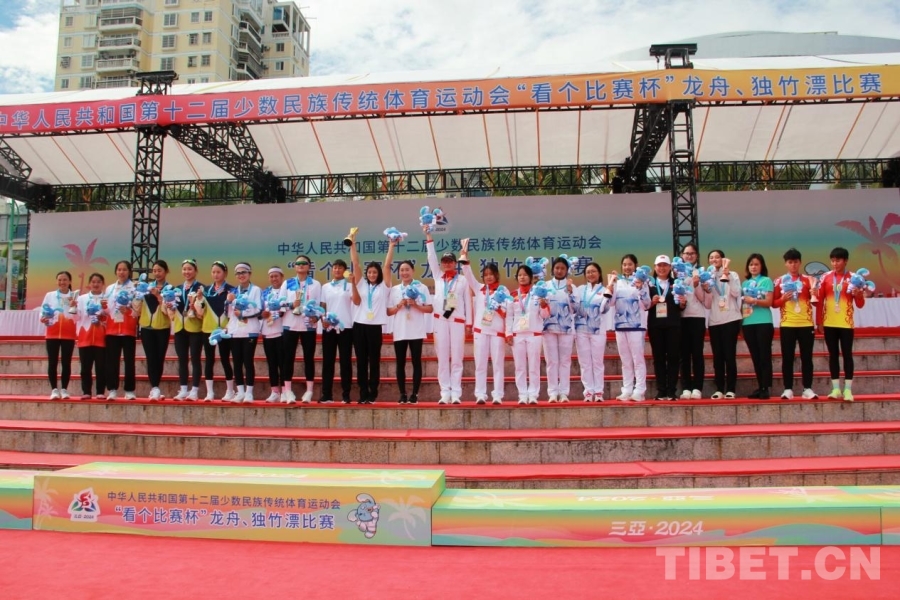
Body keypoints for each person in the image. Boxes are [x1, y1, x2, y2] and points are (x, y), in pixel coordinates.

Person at [424, 227, 470, 404]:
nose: (447, 264)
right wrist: (428, 235)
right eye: (444, 261)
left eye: (450, 261)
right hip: (440, 321)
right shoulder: (438, 276)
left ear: (455, 263)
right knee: (442, 358)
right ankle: (445, 392)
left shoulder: (462, 280)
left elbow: (467, 302)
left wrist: (469, 323)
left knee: (457, 358)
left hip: (457, 322)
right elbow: (431, 257)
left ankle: (456, 393)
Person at [349, 232, 395, 404]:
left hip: (375, 327)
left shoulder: (384, 286)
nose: (372, 274)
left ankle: (373, 393)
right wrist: (352, 244)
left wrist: (391, 245)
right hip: (359, 326)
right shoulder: (361, 283)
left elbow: (387, 265)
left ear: (379, 274)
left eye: (375, 272)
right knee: (361, 361)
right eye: (369, 272)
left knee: (374, 361)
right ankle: (362, 392)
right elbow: (355, 263)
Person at [817, 247, 866, 402]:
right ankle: (836, 389)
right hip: (829, 323)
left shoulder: (854, 278)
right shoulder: (825, 277)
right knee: (833, 355)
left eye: (838, 260)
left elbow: (860, 304)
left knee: (847, 355)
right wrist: (819, 322)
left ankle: (848, 390)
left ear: (845, 261)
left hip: (846, 323)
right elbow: (819, 301)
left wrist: (859, 295)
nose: (834, 263)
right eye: (832, 260)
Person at [695, 249, 742, 399]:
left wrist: (727, 276)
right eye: (711, 257)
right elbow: (707, 303)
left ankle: (731, 389)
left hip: (731, 319)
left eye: (717, 257)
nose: (714, 259)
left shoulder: (733, 274)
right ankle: (719, 388)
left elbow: (736, 293)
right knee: (718, 357)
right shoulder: (707, 277)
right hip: (715, 321)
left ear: (723, 259)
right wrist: (706, 290)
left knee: (729, 355)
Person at [772, 248, 818, 400]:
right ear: (786, 263)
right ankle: (788, 389)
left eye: (796, 262)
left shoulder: (809, 280)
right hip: (787, 324)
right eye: (790, 262)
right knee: (787, 358)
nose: (793, 265)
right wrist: (783, 299)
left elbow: (816, 302)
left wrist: (814, 293)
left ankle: (807, 388)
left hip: (806, 324)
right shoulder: (779, 281)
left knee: (807, 357)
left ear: (800, 262)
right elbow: (773, 303)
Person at [462, 257, 507, 405]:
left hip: (497, 332)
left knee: (498, 364)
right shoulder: (479, 288)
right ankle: (480, 394)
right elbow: (468, 275)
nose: (488, 277)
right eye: (486, 274)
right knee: (480, 364)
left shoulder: (503, 290)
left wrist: (498, 308)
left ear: (496, 275)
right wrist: (465, 261)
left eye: (491, 274)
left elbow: (507, 311)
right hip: (480, 331)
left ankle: (497, 394)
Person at [387, 260, 432, 404]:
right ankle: (402, 394)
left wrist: (416, 305)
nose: (404, 272)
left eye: (407, 269)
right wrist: (398, 305)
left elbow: (430, 308)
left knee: (416, 362)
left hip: (416, 330)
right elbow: (388, 312)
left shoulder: (422, 287)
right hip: (400, 330)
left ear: (413, 271)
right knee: (400, 363)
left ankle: (415, 394)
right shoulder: (394, 290)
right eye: (402, 270)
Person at [607, 254, 651, 402]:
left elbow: (647, 304)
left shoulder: (642, 282)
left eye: (630, 264)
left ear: (636, 266)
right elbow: (611, 303)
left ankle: (640, 390)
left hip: (637, 326)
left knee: (637, 359)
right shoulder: (618, 282)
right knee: (625, 360)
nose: (627, 267)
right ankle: (627, 389)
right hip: (620, 326)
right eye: (624, 264)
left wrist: (641, 288)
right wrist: (611, 285)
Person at [280, 254, 322, 404]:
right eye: (298, 263)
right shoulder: (287, 283)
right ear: (294, 266)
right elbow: (280, 304)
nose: (301, 265)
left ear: (309, 266)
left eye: (304, 263)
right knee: (288, 358)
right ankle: (288, 391)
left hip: (308, 326)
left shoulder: (315, 284)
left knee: (308, 358)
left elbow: (319, 305)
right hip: (290, 324)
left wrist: (316, 317)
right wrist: (292, 304)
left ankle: (309, 391)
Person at [505, 265, 546, 404]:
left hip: (534, 334)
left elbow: (544, 315)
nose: (522, 277)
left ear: (531, 277)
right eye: (520, 275)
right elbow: (509, 316)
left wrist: (544, 305)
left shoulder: (538, 294)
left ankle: (533, 394)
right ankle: (522, 394)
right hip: (517, 335)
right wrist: (508, 333)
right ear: (517, 277)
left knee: (534, 366)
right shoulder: (512, 295)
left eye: (525, 275)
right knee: (520, 367)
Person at [646, 255, 685, 400]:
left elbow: (681, 306)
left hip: (673, 324)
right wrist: (652, 302)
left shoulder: (677, 283)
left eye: (665, 265)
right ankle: (661, 390)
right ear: (655, 267)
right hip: (655, 325)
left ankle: (671, 390)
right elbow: (644, 305)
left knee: (674, 357)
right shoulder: (649, 284)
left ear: (670, 267)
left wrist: (682, 303)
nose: (662, 268)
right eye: (659, 265)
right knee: (659, 358)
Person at [540, 257, 576, 402]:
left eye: (562, 268)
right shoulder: (545, 286)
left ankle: (564, 392)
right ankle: (553, 392)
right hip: (548, 328)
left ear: (567, 270)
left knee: (565, 361)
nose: (559, 271)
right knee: (551, 361)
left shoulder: (571, 287)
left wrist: (571, 293)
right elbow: (539, 308)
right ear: (552, 269)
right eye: (557, 268)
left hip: (566, 329)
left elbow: (575, 309)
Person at [574, 262, 610, 402]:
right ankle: (588, 391)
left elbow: (605, 309)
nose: (591, 274)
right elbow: (574, 306)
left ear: (599, 273)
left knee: (597, 362)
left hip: (598, 330)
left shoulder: (605, 289)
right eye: (588, 272)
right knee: (584, 362)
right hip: (581, 330)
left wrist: (609, 292)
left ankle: (599, 391)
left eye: (593, 271)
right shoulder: (580, 289)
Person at [226, 263, 262, 402]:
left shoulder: (256, 290)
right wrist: (228, 302)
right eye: (238, 273)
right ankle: (240, 391)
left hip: (250, 331)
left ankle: (249, 392)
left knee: (248, 361)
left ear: (249, 273)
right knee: (237, 362)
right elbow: (228, 313)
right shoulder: (233, 291)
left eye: (244, 272)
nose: (241, 275)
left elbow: (258, 309)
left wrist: (242, 312)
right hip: (235, 331)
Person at [741, 253, 775, 400]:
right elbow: (742, 304)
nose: (753, 267)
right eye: (751, 264)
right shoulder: (744, 284)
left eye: (756, 264)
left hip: (763, 322)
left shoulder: (766, 281)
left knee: (764, 355)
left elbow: (768, 302)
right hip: (748, 323)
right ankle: (760, 386)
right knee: (755, 356)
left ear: (762, 266)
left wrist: (754, 300)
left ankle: (766, 387)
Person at [171, 259, 205, 401]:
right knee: (182, 359)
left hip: (195, 328)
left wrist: (195, 307)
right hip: (180, 328)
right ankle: (183, 389)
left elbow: (204, 309)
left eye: (190, 269)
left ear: (196, 271)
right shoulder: (177, 289)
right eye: (184, 269)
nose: (187, 272)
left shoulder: (201, 289)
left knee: (195, 359)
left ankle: (195, 390)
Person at [320, 259, 354, 404]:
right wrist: (323, 319)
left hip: (346, 327)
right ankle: (326, 394)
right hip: (329, 328)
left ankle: (346, 394)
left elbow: (356, 302)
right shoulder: (325, 287)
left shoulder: (350, 286)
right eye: (335, 267)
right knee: (328, 361)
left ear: (345, 270)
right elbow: (322, 306)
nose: (337, 270)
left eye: (340, 268)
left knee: (345, 362)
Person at [103, 260, 138, 401]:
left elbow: (138, 310)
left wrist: (128, 310)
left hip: (128, 329)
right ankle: (112, 389)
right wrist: (103, 308)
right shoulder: (109, 289)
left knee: (129, 361)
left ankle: (130, 390)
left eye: (124, 269)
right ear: (115, 271)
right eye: (119, 269)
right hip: (112, 330)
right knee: (112, 361)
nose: (121, 272)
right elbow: (107, 310)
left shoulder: (134, 288)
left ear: (129, 272)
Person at [202, 261, 236, 401]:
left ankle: (230, 391)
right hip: (208, 329)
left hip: (225, 330)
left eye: (218, 272)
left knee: (225, 359)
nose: (215, 275)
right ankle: (209, 392)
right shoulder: (206, 290)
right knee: (209, 360)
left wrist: (228, 327)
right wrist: (198, 300)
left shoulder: (231, 290)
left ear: (225, 273)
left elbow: (234, 312)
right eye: (213, 272)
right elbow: (200, 311)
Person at [41, 270, 78, 400]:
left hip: (69, 334)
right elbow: (43, 311)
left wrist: (75, 307)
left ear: (70, 281)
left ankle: (64, 389)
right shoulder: (50, 295)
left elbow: (78, 317)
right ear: (57, 281)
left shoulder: (75, 296)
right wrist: (43, 318)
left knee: (66, 362)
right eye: (60, 280)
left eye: (65, 280)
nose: (62, 282)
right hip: (52, 333)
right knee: (52, 362)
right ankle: (54, 390)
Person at [139, 260, 171, 401]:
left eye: (160, 270)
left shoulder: (170, 289)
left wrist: (159, 296)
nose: (157, 273)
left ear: (166, 271)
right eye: (155, 271)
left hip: (162, 327)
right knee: (151, 357)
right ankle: (155, 388)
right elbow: (137, 308)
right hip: (146, 327)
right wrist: (137, 295)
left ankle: (156, 387)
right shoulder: (146, 287)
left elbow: (168, 311)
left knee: (159, 357)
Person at [678, 243, 706, 399]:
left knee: (697, 354)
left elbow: (703, 299)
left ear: (697, 256)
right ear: (682, 255)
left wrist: (697, 285)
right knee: (683, 354)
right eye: (686, 253)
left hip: (697, 317)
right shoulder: (677, 273)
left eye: (692, 253)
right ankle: (686, 388)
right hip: (681, 318)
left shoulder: (701, 272)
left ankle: (697, 388)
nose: (689, 256)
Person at [76, 273, 107, 400]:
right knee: (85, 367)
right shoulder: (81, 299)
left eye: (98, 282)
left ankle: (100, 391)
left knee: (101, 366)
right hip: (85, 335)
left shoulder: (106, 298)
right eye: (93, 282)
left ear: (103, 284)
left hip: (102, 336)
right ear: (89, 284)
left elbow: (110, 315)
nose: (96, 284)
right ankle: (86, 391)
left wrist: (103, 315)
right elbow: (76, 317)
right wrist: (73, 307)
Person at [260, 267, 287, 403]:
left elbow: (289, 308)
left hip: (281, 332)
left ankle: (285, 391)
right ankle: (274, 391)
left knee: (283, 363)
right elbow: (259, 310)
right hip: (267, 332)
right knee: (271, 364)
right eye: (271, 276)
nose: (274, 279)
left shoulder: (286, 291)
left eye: (276, 276)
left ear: (282, 277)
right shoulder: (264, 293)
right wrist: (263, 314)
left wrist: (280, 311)